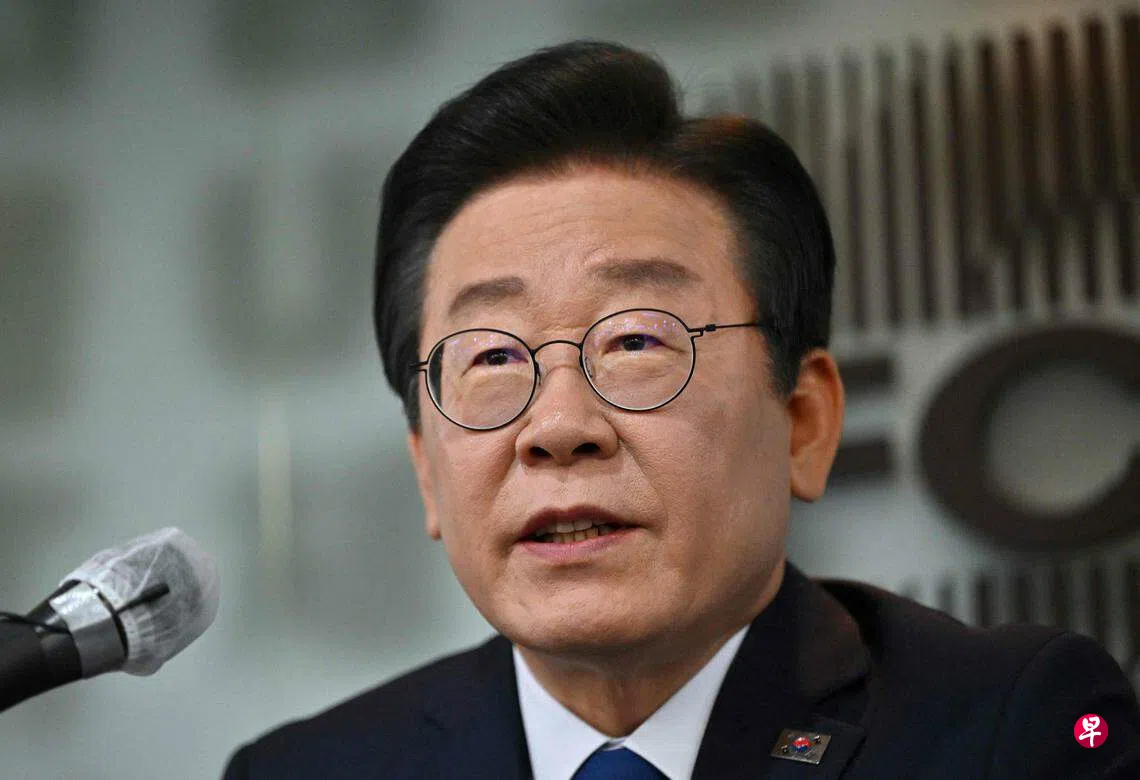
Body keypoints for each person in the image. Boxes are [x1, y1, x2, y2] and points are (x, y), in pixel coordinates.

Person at [222, 41, 1140, 779]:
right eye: (493, 358)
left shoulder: (1009, 730)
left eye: (635, 341)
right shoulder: (305, 771)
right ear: (427, 467)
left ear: (805, 421)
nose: (559, 428)